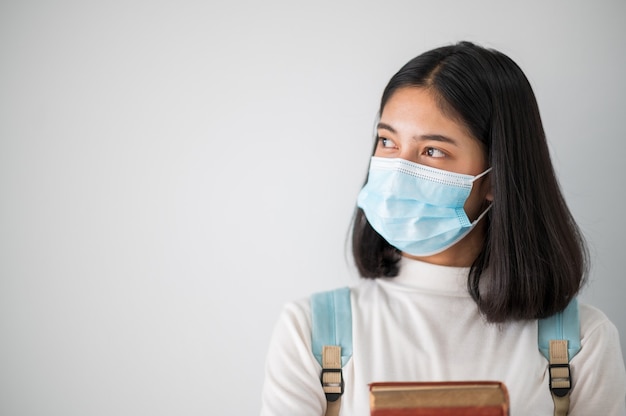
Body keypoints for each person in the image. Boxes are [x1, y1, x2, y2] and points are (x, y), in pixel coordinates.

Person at [260, 41, 626, 415]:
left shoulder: (582, 340)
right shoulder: (311, 330)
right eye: (387, 141)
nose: (397, 170)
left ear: (496, 180)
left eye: (432, 150)